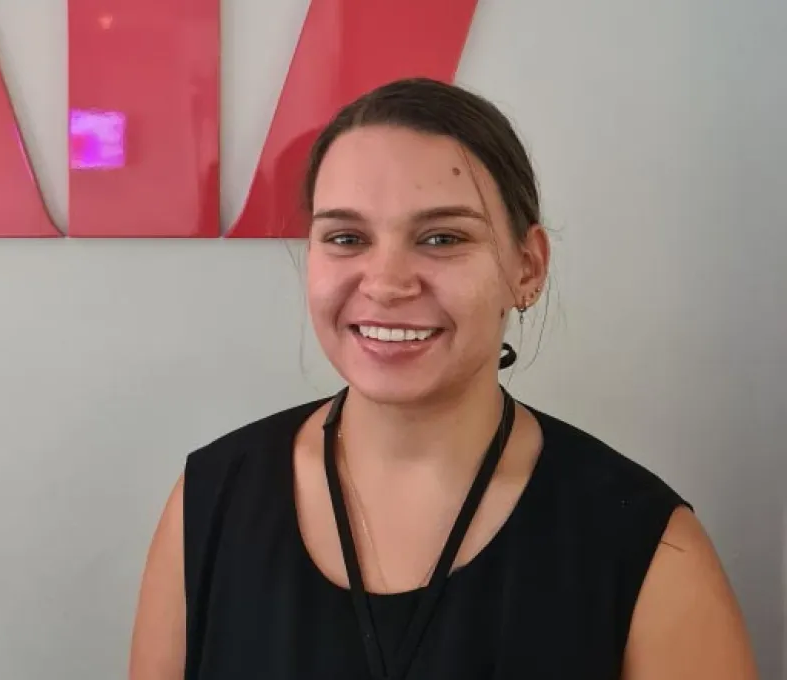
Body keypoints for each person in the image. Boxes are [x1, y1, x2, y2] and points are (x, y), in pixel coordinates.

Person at [128, 78, 758, 680]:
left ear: (527, 267)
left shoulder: (644, 545)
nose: (386, 282)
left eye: (441, 237)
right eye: (347, 237)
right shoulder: (211, 500)